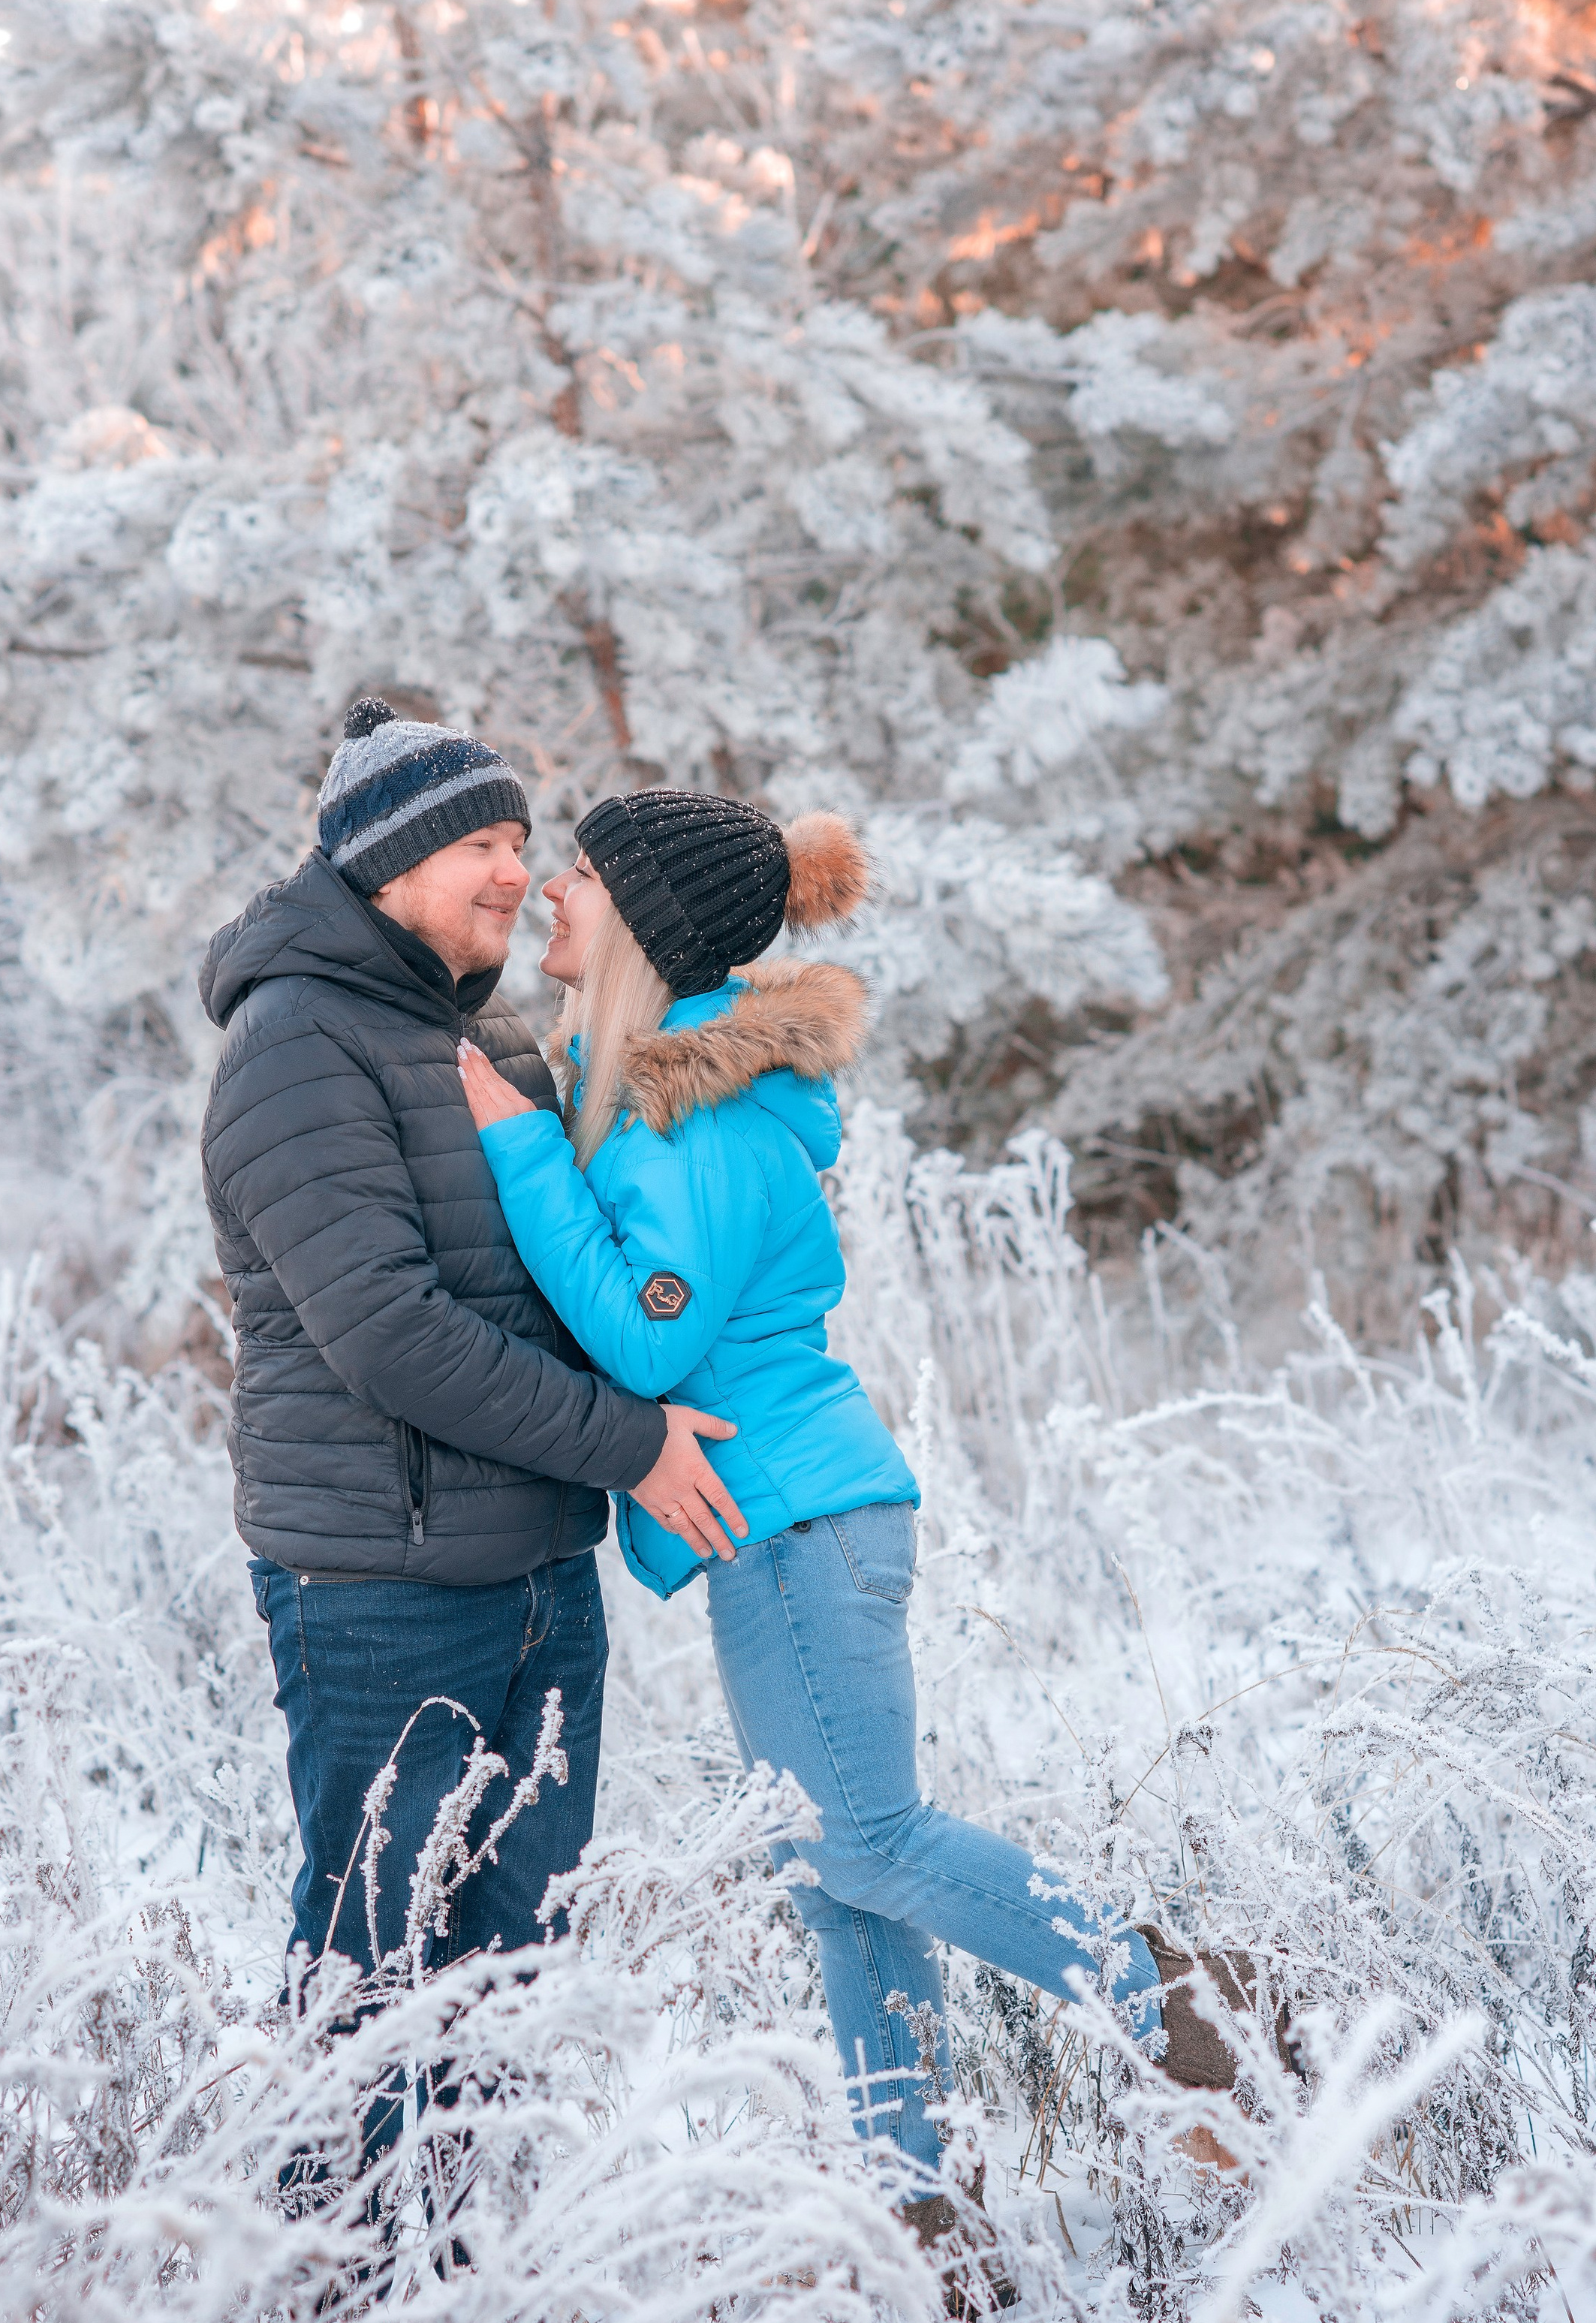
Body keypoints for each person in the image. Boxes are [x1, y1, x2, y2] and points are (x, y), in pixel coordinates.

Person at [455, 789, 1254, 2207]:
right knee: (842, 1883)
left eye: (578, 876)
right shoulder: (668, 1094)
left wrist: (519, 1146)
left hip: (797, 1524)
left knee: (865, 1841)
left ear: (644, 923)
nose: (547, 897)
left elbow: (645, 1337)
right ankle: (915, 2200)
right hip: (778, 1521)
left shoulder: (697, 1121)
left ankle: (1170, 1995)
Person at [200, 702, 748, 2179]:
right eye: (478, 847)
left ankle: (474, 2287)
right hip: (383, 1592)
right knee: (374, 1965)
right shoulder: (297, 1047)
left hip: (534, 1582)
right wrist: (627, 1444)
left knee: (514, 1956)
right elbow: (389, 1334)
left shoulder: (472, 1034)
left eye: (517, 843)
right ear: (385, 868)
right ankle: (340, 2284)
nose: (512, 873)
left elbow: (576, 1265)